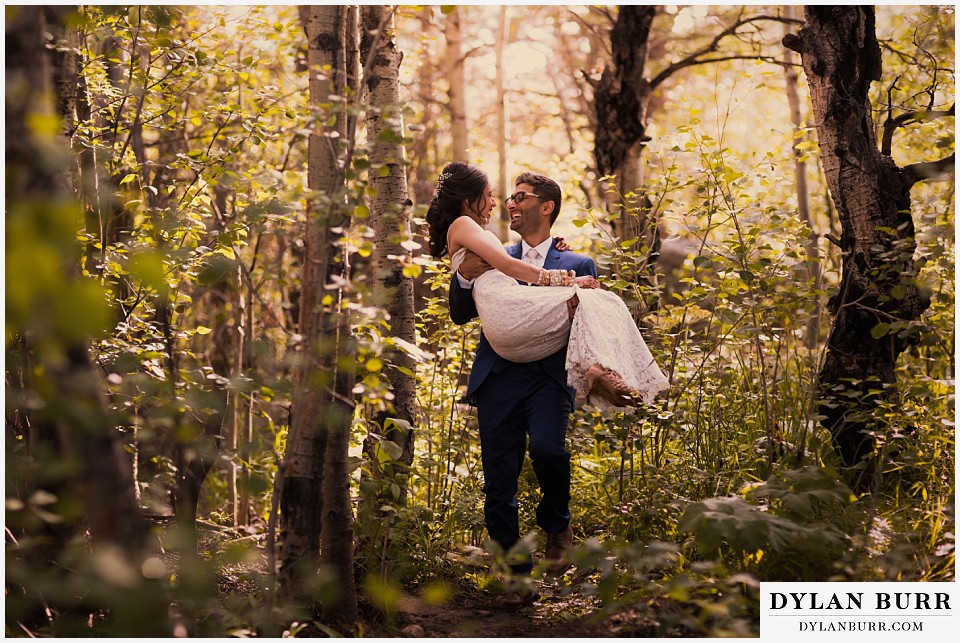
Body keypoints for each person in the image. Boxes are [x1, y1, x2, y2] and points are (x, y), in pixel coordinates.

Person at [427, 163, 668, 604]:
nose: (510, 203)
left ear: (547, 206)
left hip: (549, 376)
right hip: (499, 374)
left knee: (549, 450)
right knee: (499, 481)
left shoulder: (577, 260)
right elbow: (461, 312)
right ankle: (516, 582)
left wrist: (565, 280)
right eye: (507, 196)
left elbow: (581, 315)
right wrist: (465, 274)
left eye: (520, 197)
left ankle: (557, 523)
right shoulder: (492, 249)